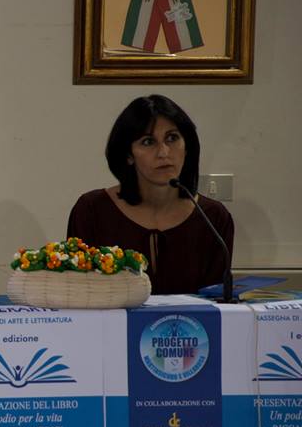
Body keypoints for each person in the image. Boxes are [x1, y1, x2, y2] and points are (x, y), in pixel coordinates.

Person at [67, 94, 233, 295]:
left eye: (172, 138)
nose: (163, 152)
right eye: (148, 142)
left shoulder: (213, 217)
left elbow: (217, 301)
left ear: (187, 147)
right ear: (128, 155)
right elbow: (79, 294)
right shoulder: (92, 211)